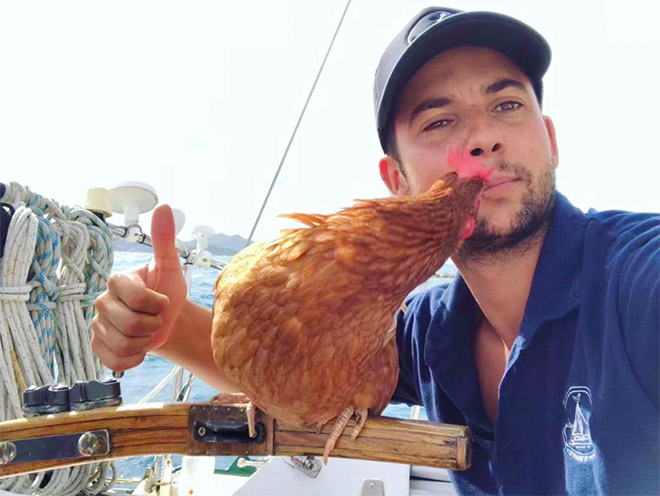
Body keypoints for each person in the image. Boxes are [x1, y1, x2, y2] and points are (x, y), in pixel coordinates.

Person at [91, 7, 659, 495]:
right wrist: (164, 329)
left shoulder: (636, 281)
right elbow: (299, 369)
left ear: (550, 139)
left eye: (507, 105)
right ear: (398, 181)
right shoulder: (431, 332)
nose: (483, 138)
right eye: (440, 121)